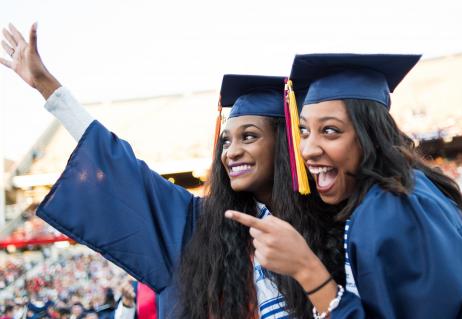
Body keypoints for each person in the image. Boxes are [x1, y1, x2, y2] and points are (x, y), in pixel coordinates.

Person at [1, 24, 344, 318]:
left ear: (283, 144)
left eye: (249, 136)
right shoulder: (198, 225)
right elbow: (121, 167)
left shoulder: (333, 224)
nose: (231, 151)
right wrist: (49, 88)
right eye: (225, 140)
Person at [226, 53, 462, 318]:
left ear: (369, 134)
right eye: (304, 131)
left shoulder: (390, 209)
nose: (308, 150)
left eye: (330, 130)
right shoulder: (397, 194)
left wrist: (306, 269)